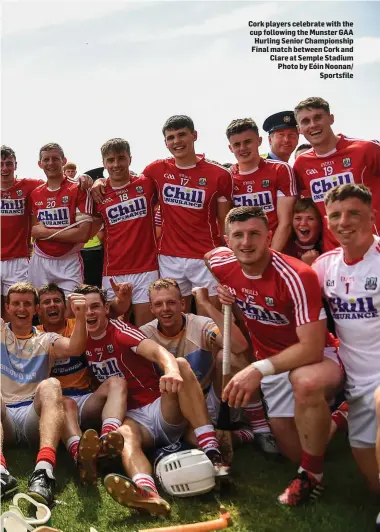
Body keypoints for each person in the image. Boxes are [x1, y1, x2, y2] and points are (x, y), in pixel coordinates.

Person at [205, 206, 343, 506]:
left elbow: (312, 346)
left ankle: (313, 477)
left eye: (255, 234)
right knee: (296, 452)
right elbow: (210, 257)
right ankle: (342, 415)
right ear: (227, 240)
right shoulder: (222, 263)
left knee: (304, 383)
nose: (246, 242)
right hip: (272, 361)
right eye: (238, 235)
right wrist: (225, 291)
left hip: (313, 357)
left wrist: (258, 369)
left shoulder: (296, 275)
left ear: (270, 236)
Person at [73, 284, 229, 515]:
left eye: (95, 306)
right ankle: (148, 493)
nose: (89, 313)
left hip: (160, 407)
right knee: (125, 437)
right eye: (84, 308)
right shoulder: (78, 339)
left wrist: (171, 370)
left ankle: (211, 450)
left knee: (182, 365)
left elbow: (158, 352)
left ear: (107, 309)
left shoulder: (119, 330)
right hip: (133, 419)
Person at [141, 278, 278, 453]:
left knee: (229, 356)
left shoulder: (200, 324)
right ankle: (243, 435)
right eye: (158, 304)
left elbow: (239, 345)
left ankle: (260, 427)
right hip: (175, 408)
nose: (165, 309)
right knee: (198, 442)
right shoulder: (145, 333)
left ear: (183, 304)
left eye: (171, 302)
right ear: (151, 309)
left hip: (210, 398)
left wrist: (206, 305)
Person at [312, 184, 380, 504]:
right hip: (356, 382)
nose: (344, 221)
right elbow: (290, 298)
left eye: (354, 213)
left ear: (373, 217)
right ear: (327, 221)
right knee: (371, 480)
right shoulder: (325, 266)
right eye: (336, 215)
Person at [0, 282, 87, 506]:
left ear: (36, 309)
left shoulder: (46, 339)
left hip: (33, 417)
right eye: (16, 304)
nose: (22, 309)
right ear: (7, 308)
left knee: (51, 384)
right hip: (4, 418)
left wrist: (81, 317)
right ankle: (0, 472)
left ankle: (44, 471)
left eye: (28, 304)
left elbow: (76, 347)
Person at [36, 282, 132, 484]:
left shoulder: (80, 323)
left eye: (57, 301)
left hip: (87, 399)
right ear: (38, 310)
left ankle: (107, 440)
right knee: (66, 403)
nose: (52, 305)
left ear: (66, 306)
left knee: (117, 382)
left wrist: (121, 300)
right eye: (46, 302)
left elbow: (110, 310)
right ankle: (82, 457)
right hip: (57, 404)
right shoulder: (35, 334)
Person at [143, 115, 233, 312]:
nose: (177, 141)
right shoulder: (155, 170)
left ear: (194, 135)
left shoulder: (220, 175)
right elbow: (130, 185)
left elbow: (225, 221)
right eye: (171, 137)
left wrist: (226, 257)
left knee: (210, 321)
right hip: (169, 257)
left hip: (206, 257)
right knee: (176, 320)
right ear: (165, 142)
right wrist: (97, 181)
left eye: (182, 134)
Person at [293, 96, 380, 252]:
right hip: (334, 254)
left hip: (373, 248)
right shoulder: (301, 164)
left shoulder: (366, 149)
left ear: (331, 119)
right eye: (305, 121)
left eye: (318, 117)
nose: (313, 125)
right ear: (299, 129)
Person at [94, 138, 159, 326]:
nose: (116, 165)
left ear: (130, 159)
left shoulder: (146, 184)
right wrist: (95, 181)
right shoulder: (98, 193)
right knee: (113, 330)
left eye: (121, 158)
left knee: (146, 330)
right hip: (114, 270)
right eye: (110, 160)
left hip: (146, 268)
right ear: (104, 163)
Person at [28, 143, 95, 295]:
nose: (50, 163)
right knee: (40, 310)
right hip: (40, 261)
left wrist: (46, 233)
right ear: (40, 164)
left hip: (69, 260)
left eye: (55, 159)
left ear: (64, 161)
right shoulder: (35, 193)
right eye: (46, 160)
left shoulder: (79, 188)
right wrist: (43, 233)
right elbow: (34, 231)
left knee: (73, 309)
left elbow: (82, 234)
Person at [226, 118, 297, 252]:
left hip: (278, 254)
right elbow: (228, 225)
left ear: (259, 141)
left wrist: (270, 258)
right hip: (245, 255)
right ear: (230, 148)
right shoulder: (227, 176)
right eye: (237, 144)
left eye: (247, 142)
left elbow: (285, 223)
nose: (242, 148)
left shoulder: (280, 170)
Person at [1, 146, 44, 318]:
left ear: (15, 165)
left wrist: (91, 180)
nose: (4, 169)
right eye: (0, 164)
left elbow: (57, 182)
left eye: (8, 163)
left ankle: (16, 345)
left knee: (16, 312)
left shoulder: (29, 186)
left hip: (18, 260)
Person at [283, 198, 323, 266]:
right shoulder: (284, 247)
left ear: (320, 223)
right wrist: (304, 264)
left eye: (310, 218)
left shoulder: (326, 247)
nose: (303, 223)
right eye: (298, 218)